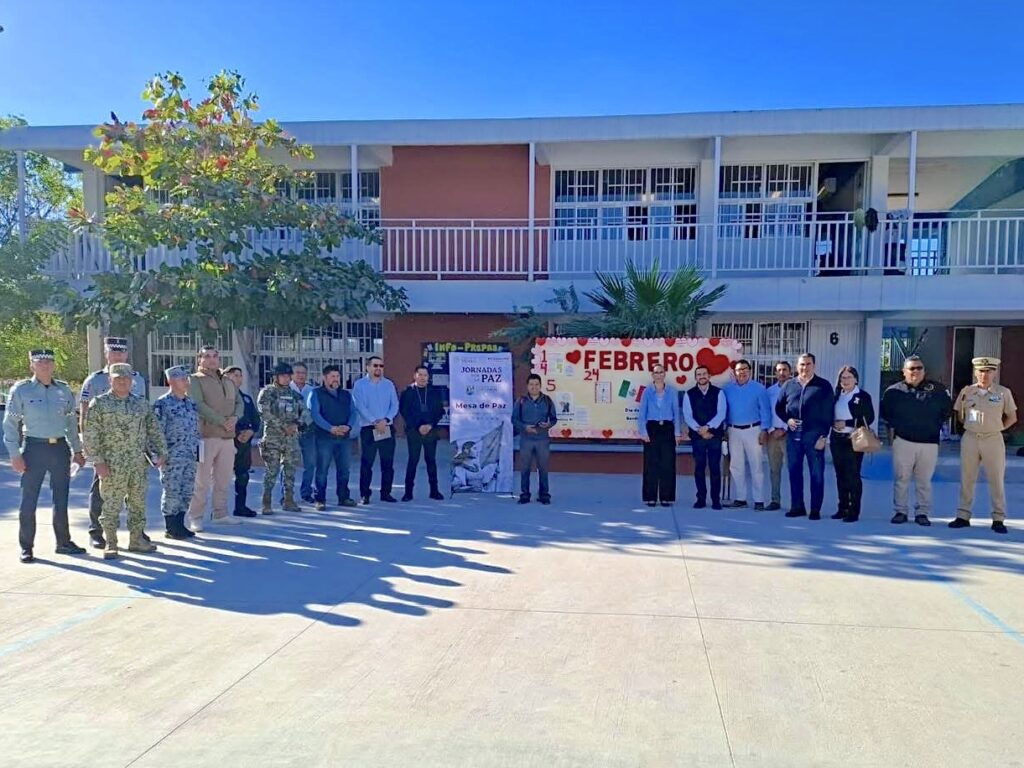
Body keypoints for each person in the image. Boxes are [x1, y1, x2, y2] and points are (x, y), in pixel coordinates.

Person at [3, 349, 87, 563]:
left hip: (59, 448)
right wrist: (15, 454)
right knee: (29, 500)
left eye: (49, 362)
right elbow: (11, 424)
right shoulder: (21, 390)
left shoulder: (63, 390)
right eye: (40, 362)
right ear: (32, 365)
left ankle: (63, 542)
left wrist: (77, 450)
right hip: (34, 448)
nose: (45, 366)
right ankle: (26, 547)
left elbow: (71, 423)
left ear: (54, 365)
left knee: (61, 498)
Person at [83, 363, 167, 559]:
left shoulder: (141, 403)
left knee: (138, 504)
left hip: (137, 462)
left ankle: (136, 540)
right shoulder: (100, 403)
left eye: (126, 378)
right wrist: (98, 462)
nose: (122, 381)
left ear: (132, 381)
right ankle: (111, 543)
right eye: (118, 378)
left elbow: (154, 429)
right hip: (112, 464)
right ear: (109, 380)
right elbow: (91, 434)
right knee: (111, 505)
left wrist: (162, 451)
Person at [79, 336, 146, 549]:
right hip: (107, 449)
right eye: (113, 352)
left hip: (133, 449)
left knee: (135, 493)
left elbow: (144, 414)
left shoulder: (138, 379)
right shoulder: (94, 380)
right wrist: (90, 450)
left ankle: (137, 533)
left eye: (121, 352)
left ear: (126, 354)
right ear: (106, 354)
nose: (117, 355)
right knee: (101, 491)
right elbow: (85, 415)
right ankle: (97, 532)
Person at [879, 355, 952, 526]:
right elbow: (886, 414)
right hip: (903, 441)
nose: (916, 371)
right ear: (904, 371)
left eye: (919, 368)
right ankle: (900, 511)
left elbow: (947, 412)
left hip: (929, 443)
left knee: (924, 481)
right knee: (901, 479)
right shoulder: (893, 391)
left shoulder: (938, 390)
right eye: (912, 368)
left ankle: (922, 513)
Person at [950, 357, 1018, 534]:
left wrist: (996, 428)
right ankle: (963, 515)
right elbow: (960, 415)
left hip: (993, 439)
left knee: (996, 479)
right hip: (971, 438)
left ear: (995, 372)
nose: (984, 375)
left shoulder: (1003, 393)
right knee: (967, 477)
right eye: (981, 371)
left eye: (988, 371)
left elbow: (1012, 417)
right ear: (975, 372)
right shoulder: (967, 392)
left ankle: (998, 518)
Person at [187, 345, 243, 531]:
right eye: (207, 356)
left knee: (223, 479)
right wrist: (221, 421)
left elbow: (239, 403)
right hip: (206, 437)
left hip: (227, 437)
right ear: (200, 359)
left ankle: (220, 513)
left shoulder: (227, 380)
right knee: (201, 481)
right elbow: (198, 404)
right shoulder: (195, 379)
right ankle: (196, 517)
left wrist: (235, 418)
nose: (212, 359)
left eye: (215, 356)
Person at [775, 353, 834, 520]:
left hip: (814, 435)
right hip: (794, 434)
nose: (804, 367)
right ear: (797, 366)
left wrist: (824, 436)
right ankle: (797, 506)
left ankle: (815, 509)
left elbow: (829, 413)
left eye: (808, 364)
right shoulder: (789, 385)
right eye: (802, 364)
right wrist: (787, 420)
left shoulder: (823, 386)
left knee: (816, 473)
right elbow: (779, 408)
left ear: (814, 366)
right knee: (794, 471)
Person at [152, 366, 200, 540]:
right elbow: (156, 432)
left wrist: (197, 451)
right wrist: (159, 454)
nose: (186, 382)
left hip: (189, 455)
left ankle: (180, 524)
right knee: (172, 491)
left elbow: (195, 429)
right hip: (172, 456)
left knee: (186, 491)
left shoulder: (191, 403)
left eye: (187, 378)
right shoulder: (162, 404)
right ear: (170, 381)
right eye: (181, 379)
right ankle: (171, 527)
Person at [307, 364, 358, 510]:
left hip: (344, 437)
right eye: (332, 376)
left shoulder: (346, 394)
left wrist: (348, 426)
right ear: (324, 378)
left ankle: (344, 497)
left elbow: (353, 412)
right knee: (322, 469)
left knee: (344, 469)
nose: (336, 379)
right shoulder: (316, 393)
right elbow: (315, 414)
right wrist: (331, 428)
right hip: (325, 437)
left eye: (337, 376)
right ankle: (320, 499)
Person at [722, 359, 772, 510]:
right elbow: (724, 410)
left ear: (750, 371)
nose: (742, 372)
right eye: (739, 370)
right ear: (734, 373)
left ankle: (759, 500)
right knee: (736, 466)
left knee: (756, 466)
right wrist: (724, 430)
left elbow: (765, 410)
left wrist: (764, 430)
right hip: (733, 430)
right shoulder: (728, 389)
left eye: (745, 369)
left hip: (753, 430)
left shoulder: (759, 388)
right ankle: (740, 498)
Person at [829, 366, 875, 523]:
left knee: (852, 475)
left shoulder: (862, 396)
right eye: (843, 377)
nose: (845, 380)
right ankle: (842, 507)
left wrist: (847, 422)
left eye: (849, 377)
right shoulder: (837, 395)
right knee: (840, 475)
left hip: (853, 439)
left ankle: (853, 510)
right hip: (837, 439)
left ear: (856, 379)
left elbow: (869, 418)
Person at [257, 362, 306, 513]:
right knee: (272, 470)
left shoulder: (295, 395)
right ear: (276, 377)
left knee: (290, 470)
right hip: (273, 438)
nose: (286, 379)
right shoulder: (267, 393)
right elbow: (264, 412)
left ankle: (288, 500)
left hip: (291, 438)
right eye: (283, 376)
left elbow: (305, 413)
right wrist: (282, 426)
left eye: (288, 376)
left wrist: (296, 425)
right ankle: (266, 502)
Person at [352, 356, 400, 504]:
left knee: (387, 463)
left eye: (381, 366)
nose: (378, 368)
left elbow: (395, 405)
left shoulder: (388, 384)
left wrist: (385, 420)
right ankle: (365, 494)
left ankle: (386, 493)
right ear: (367, 367)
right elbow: (359, 406)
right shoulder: (360, 385)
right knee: (367, 463)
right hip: (369, 428)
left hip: (386, 427)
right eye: (375, 365)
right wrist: (374, 421)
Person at [681, 365, 726, 510]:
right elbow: (687, 415)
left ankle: (715, 500)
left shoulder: (719, 393)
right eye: (699, 374)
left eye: (704, 374)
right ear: (695, 377)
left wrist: (708, 427)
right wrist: (700, 430)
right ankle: (700, 499)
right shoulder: (689, 394)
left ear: (709, 376)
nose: (702, 376)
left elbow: (721, 413)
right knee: (699, 468)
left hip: (714, 436)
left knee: (715, 468)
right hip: (698, 437)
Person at [399, 365, 446, 502]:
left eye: (425, 375)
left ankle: (434, 491)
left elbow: (440, 411)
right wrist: (418, 426)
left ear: (428, 377)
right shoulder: (408, 392)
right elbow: (404, 412)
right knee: (413, 461)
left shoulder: (434, 392)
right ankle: (408, 492)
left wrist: (430, 425)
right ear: (415, 376)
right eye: (420, 375)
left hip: (431, 431)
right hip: (414, 431)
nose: (422, 378)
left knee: (431, 461)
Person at [638, 365, 682, 507]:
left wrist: (677, 433)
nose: (658, 375)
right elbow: (642, 413)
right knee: (651, 464)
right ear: (652, 375)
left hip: (667, 428)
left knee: (667, 463)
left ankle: (666, 497)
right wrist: (643, 432)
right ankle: (650, 497)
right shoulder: (647, 392)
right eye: (656, 372)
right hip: (652, 428)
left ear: (665, 374)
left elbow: (676, 413)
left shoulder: (672, 391)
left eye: (661, 372)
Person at [512, 373, 558, 505]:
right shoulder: (521, 401)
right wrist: (525, 427)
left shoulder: (547, 400)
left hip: (542, 439)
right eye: (531, 384)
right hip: (526, 440)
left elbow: (554, 419)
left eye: (537, 384)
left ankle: (544, 495)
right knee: (525, 468)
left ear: (540, 385)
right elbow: (514, 419)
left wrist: (548, 424)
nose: (534, 387)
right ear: (527, 386)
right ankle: (525, 495)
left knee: (543, 468)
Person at [223, 366, 260, 517]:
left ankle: (240, 507)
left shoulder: (246, 398)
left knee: (243, 475)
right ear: (226, 377)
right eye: (234, 375)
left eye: (240, 375)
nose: (238, 378)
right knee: (222, 477)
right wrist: (236, 433)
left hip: (244, 443)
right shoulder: (222, 398)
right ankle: (219, 510)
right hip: (227, 441)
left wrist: (251, 431)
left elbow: (256, 419)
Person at [764, 361, 792, 511]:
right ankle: (775, 500)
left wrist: (785, 429)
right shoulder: (769, 392)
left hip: (789, 434)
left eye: (785, 370)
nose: (782, 373)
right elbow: (765, 412)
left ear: (790, 372)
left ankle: (796, 502)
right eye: (779, 370)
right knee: (774, 469)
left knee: (792, 468)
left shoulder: (796, 389)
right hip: (772, 435)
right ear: (775, 373)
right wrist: (771, 430)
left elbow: (797, 412)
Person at [291, 362, 318, 504]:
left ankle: (306, 492)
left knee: (310, 463)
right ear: (292, 374)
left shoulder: (312, 390)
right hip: (290, 432)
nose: (301, 375)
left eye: (303, 373)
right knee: (288, 464)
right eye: (298, 372)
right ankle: (287, 495)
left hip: (308, 431)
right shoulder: (285, 390)